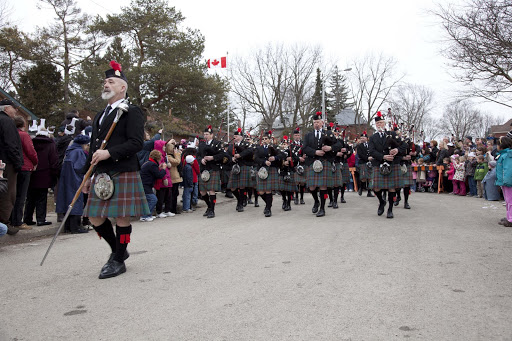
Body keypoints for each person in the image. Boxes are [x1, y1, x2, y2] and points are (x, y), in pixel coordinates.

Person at [82, 60, 149, 279]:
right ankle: (118, 250)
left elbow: (136, 143)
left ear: (122, 87)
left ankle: (118, 260)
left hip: (123, 169)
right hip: (101, 172)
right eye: (105, 82)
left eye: (111, 81)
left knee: (122, 217)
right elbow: (93, 149)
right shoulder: (101, 115)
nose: (106, 84)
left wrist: (110, 153)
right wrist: (87, 176)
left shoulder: (132, 111)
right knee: (94, 216)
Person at [302, 112, 342, 217]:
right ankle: (316, 201)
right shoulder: (308, 135)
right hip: (312, 162)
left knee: (323, 186)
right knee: (311, 187)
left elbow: (339, 144)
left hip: (325, 161)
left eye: (318, 122)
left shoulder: (328, 133)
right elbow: (304, 148)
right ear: (313, 123)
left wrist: (330, 148)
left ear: (322, 123)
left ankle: (322, 209)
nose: (316, 124)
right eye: (315, 122)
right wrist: (315, 152)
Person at [368, 111, 406, 218]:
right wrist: (383, 157)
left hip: (392, 164)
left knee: (392, 188)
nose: (379, 124)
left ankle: (390, 209)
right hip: (379, 163)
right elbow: (371, 151)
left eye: (381, 122)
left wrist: (397, 150)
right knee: (376, 188)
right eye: (377, 123)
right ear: (375, 124)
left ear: (385, 123)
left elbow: (404, 145)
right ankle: (381, 202)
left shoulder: (393, 134)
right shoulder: (373, 138)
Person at [24, 127, 59, 226]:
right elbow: (54, 160)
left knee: (30, 198)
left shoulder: (32, 143)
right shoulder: (50, 144)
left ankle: (27, 218)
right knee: (41, 198)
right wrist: (54, 173)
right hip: (45, 174)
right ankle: (41, 219)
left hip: (32, 173)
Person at [55, 134, 90, 234]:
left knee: (68, 201)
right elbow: (81, 167)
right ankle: (75, 227)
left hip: (67, 180)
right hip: (75, 180)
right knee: (76, 201)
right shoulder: (79, 152)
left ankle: (68, 227)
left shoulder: (70, 151)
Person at [0, 99, 23, 235]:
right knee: (8, 194)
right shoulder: (7, 121)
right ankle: (4, 224)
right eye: (14, 108)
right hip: (7, 163)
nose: (16, 111)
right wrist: (18, 162)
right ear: (7, 109)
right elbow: (11, 144)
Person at [11, 116, 38, 230]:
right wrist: (35, 162)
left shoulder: (10, 134)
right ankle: (18, 220)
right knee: (21, 195)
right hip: (25, 166)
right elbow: (30, 151)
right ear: (23, 125)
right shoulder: (24, 135)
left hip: (13, 166)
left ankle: (11, 218)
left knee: (12, 193)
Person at [197, 125, 225, 218]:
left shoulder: (217, 143)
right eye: (204, 134)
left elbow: (222, 155)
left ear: (211, 135)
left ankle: (212, 211)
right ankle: (209, 206)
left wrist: (213, 157)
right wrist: (201, 160)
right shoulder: (201, 144)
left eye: (207, 134)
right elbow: (198, 155)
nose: (205, 136)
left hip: (213, 168)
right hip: (204, 169)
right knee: (202, 192)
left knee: (211, 190)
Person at [254, 130, 283, 217]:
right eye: (263, 139)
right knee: (261, 192)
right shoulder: (259, 148)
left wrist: (275, 157)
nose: (264, 140)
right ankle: (268, 203)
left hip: (271, 169)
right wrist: (264, 162)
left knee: (268, 190)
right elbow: (255, 158)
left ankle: (268, 209)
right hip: (262, 169)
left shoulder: (275, 147)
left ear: (270, 139)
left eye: (266, 138)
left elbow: (282, 155)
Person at [227, 128, 254, 212]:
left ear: (241, 137)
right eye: (234, 136)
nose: (235, 137)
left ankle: (240, 204)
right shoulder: (231, 146)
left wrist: (240, 155)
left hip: (243, 166)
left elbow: (250, 151)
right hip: (235, 167)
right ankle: (240, 199)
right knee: (232, 187)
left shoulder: (246, 144)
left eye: (237, 136)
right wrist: (231, 158)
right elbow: (227, 155)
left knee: (242, 186)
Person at [140, 149, 167, 222]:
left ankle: (148, 215)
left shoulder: (149, 163)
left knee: (149, 200)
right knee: (153, 199)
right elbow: (159, 175)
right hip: (145, 185)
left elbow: (154, 172)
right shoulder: (152, 164)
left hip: (144, 184)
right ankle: (145, 216)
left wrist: (159, 168)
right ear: (157, 157)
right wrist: (164, 169)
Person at [153, 139, 173, 218]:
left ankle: (167, 210)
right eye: (164, 146)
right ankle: (159, 211)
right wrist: (164, 178)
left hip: (167, 177)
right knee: (161, 196)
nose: (165, 147)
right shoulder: (159, 157)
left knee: (168, 195)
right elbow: (160, 168)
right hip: (162, 179)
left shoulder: (164, 155)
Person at [496, 137, 512, 227]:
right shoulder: (503, 154)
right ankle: (508, 216)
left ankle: (511, 219)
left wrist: (507, 181)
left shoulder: (507, 155)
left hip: (508, 182)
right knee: (507, 200)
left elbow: (508, 169)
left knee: (510, 201)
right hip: (504, 181)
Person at [165, 139, 182, 215]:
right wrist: (177, 154)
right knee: (172, 195)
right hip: (173, 178)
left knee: (175, 194)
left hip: (175, 178)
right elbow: (177, 162)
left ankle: (174, 209)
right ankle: (172, 209)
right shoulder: (168, 157)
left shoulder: (171, 156)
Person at [356, 131, 374, 197]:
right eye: (361, 138)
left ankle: (369, 192)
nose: (362, 139)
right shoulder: (359, 146)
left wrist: (371, 158)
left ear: (367, 138)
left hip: (370, 163)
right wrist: (367, 158)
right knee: (363, 177)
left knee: (369, 178)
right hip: (363, 162)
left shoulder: (370, 145)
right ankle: (361, 188)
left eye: (363, 138)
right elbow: (360, 155)